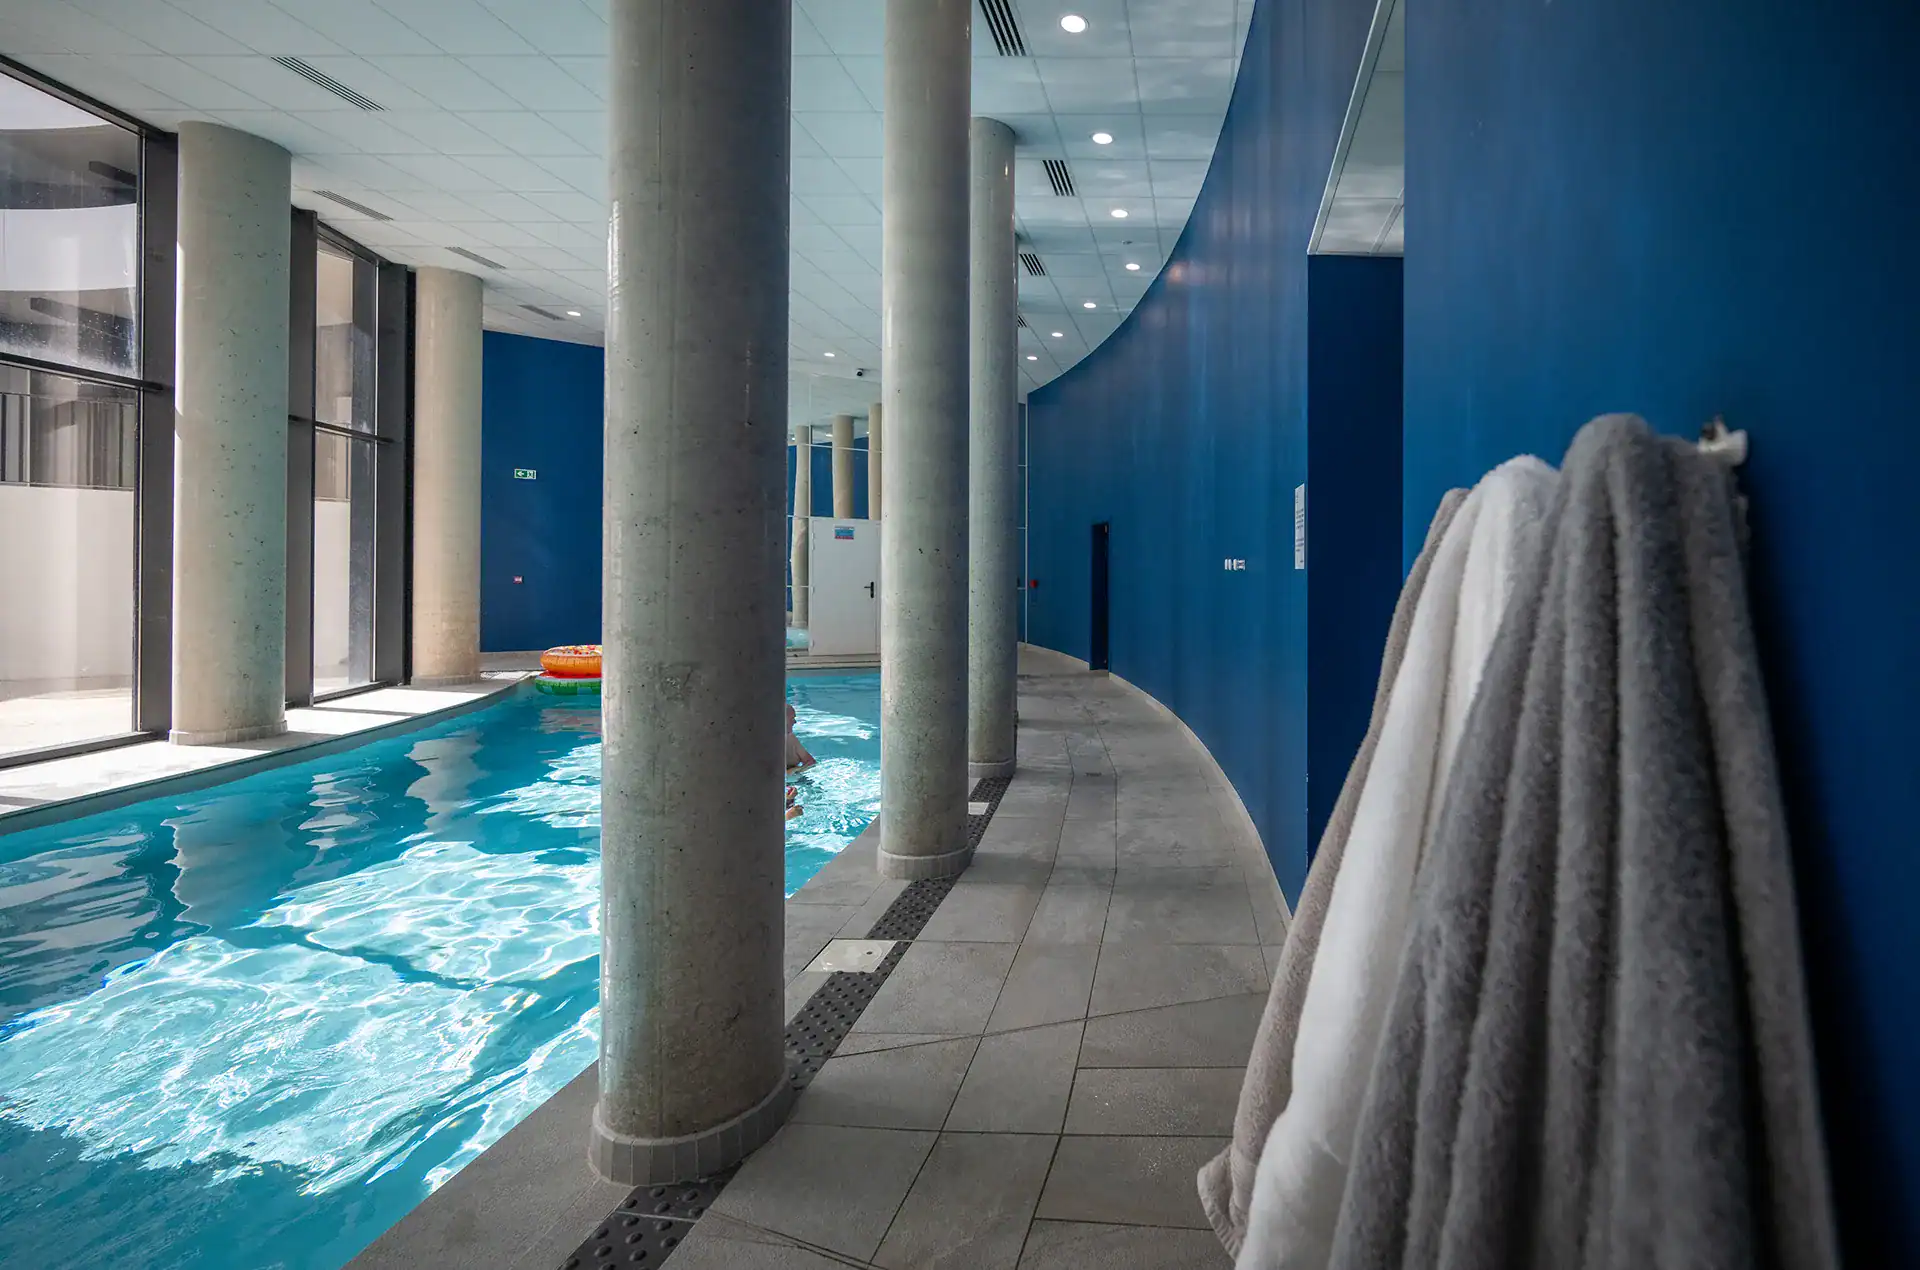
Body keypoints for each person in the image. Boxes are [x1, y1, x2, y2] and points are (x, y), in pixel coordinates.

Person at [785, 703, 815, 773]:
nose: (795, 722)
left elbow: (811, 762)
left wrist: (797, 770)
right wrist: (793, 771)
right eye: (792, 718)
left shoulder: (791, 739)